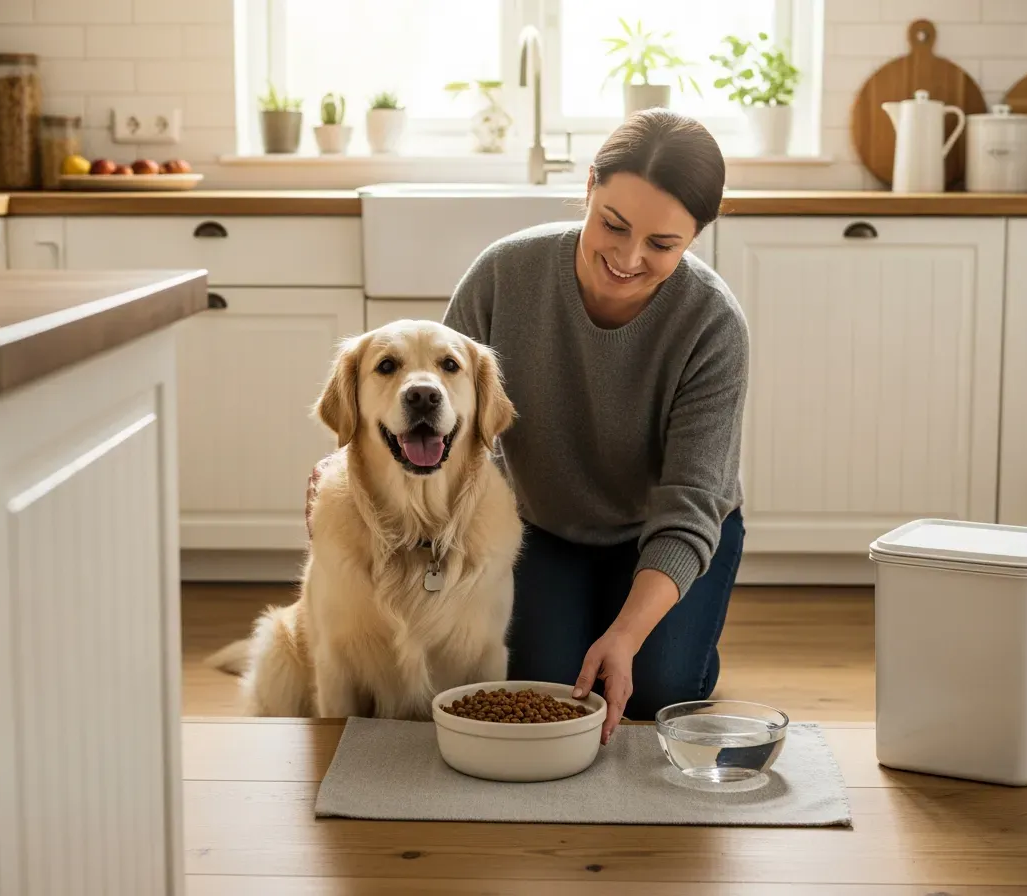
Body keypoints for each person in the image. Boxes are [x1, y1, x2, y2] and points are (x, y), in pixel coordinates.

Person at [309, 109, 748, 746]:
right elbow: (435, 413)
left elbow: (692, 504)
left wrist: (628, 635)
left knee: (657, 687)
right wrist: (342, 470)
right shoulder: (503, 274)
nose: (627, 258)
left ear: (696, 236)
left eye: (661, 244)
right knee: (535, 686)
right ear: (590, 185)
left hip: (665, 530)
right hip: (546, 526)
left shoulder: (713, 324)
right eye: (613, 224)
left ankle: (673, 636)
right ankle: (597, 615)